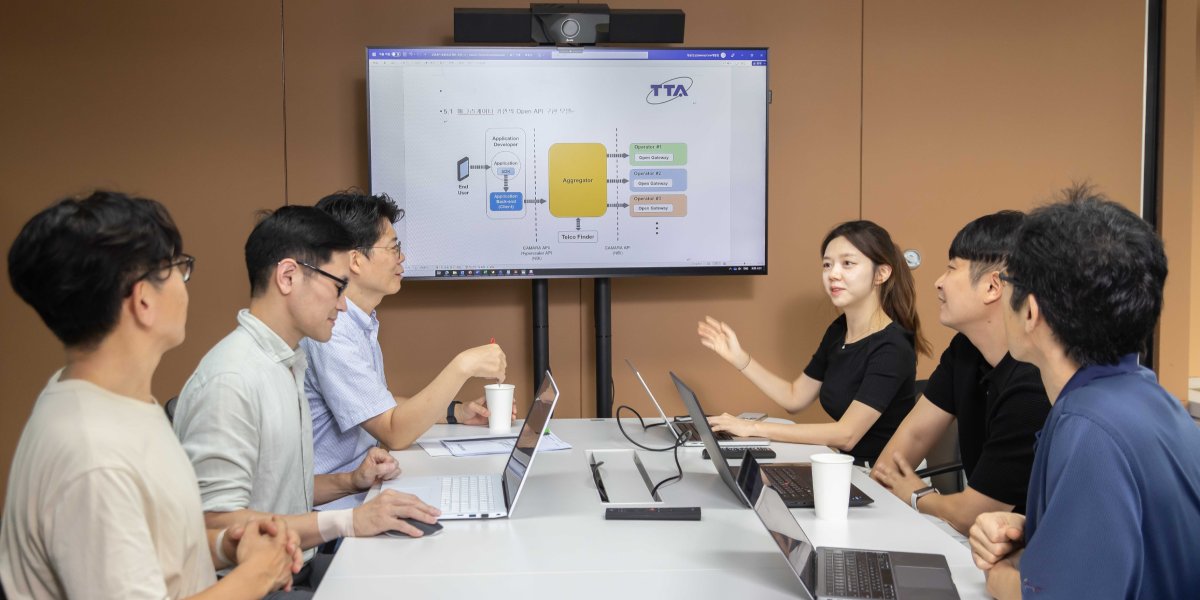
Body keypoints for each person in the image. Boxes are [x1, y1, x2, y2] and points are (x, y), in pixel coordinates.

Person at [0, 191, 301, 600]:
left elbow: (147, 553)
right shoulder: (93, 455)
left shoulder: (112, 400)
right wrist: (259, 574)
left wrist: (225, 546)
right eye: (178, 267)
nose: (184, 282)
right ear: (143, 299)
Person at [171, 206, 441, 594]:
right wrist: (348, 521)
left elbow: (277, 496)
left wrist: (351, 481)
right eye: (338, 287)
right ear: (288, 277)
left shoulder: (285, 361)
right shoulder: (233, 380)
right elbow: (216, 526)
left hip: (297, 565)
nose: (343, 305)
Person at [968, 186, 1200, 599]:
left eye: (1007, 282)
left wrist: (1001, 573)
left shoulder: (1088, 427)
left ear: (1031, 311)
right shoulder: (1150, 398)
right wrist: (1036, 531)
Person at [302, 191, 508, 491]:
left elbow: (380, 406)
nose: (402, 257)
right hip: (339, 500)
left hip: (368, 483)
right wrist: (463, 366)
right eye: (393, 247)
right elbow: (393, 431)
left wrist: (456, 411)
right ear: (355, 260)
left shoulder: (358, 320)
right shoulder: (333, 330)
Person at [869, 211, 1050, 534]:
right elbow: (903, 448)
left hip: (1022, 553)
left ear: (993, 286)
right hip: (978, 542)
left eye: (952, 268)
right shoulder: (965, 350)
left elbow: (974, 514)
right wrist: (891, 483)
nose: (939, 282)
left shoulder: (1034, 381)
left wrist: (917, 496)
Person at [698, 220, 930, 465]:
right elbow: (794, 398)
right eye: (827, 265)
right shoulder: (839, 330)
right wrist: (740, 359)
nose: (833, 274)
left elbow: (846, 435)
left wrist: (752, 428)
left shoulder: (892, 348)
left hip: (880, 476)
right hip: (844, 465)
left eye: (847, 263)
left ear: (881, 273)